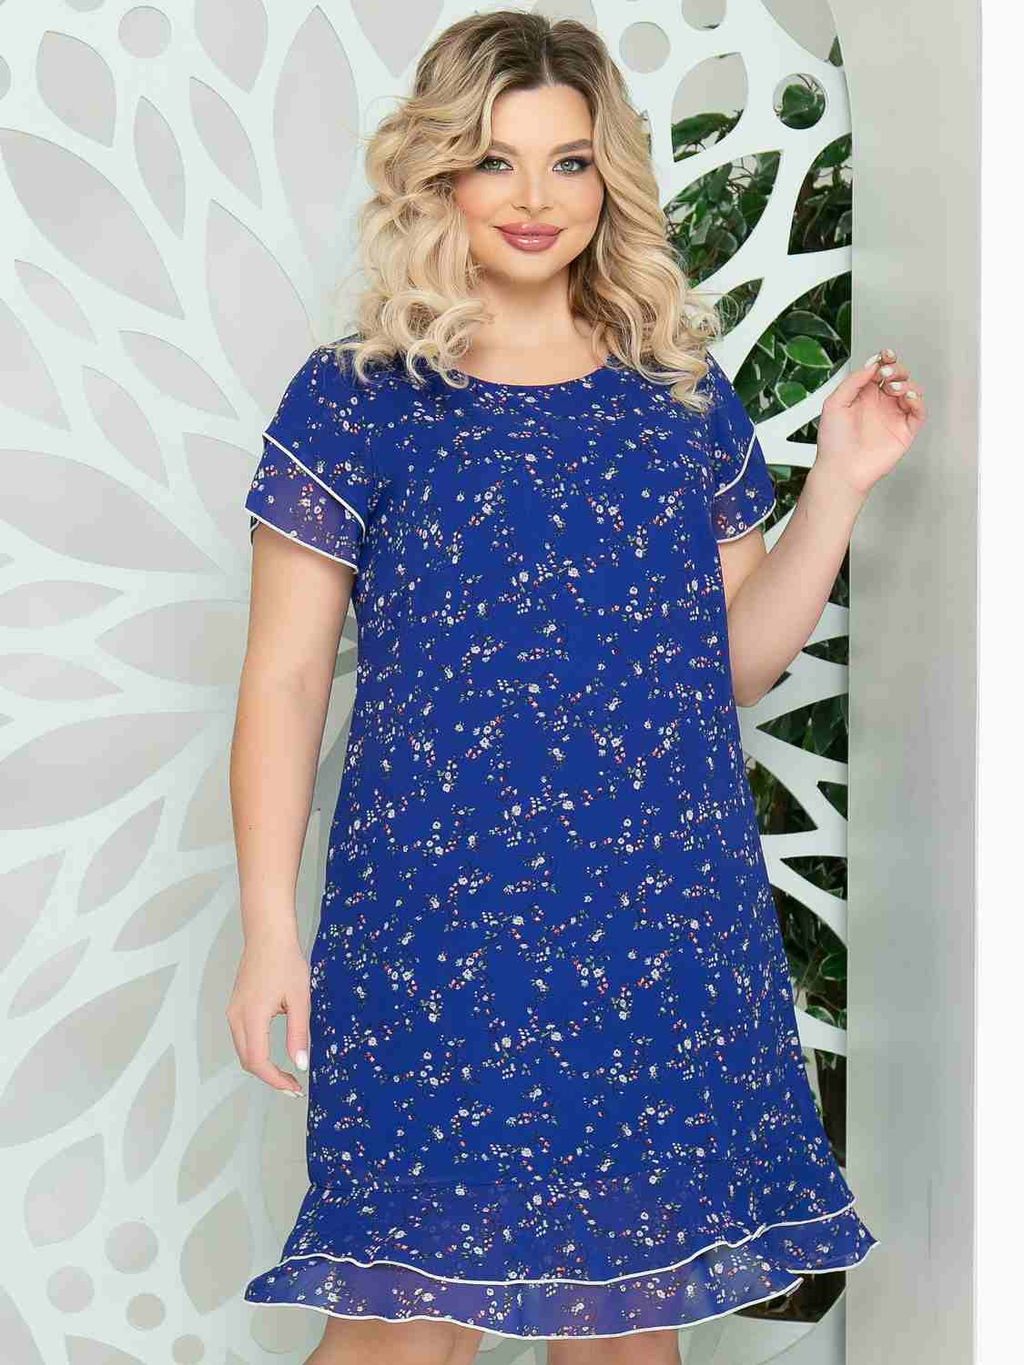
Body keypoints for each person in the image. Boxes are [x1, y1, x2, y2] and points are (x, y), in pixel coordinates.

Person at [227, 11, 923, 1365]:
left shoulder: (680, 397)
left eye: (568, 161)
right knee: (406, 1330)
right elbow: (286, 676)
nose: (533, 197)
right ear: (440, 174)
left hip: (657, 919)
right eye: (495, 161)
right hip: (431, 931)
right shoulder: (358, 397)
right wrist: (267, 928)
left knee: (623, 1331)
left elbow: (733, 663)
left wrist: (838, 482)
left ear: (610, 179)